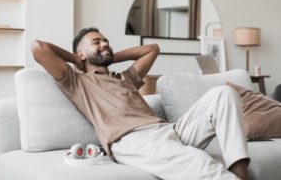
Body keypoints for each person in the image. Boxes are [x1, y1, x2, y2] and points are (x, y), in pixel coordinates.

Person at [31, 27, 249, 180]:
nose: (104, 43)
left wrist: (107, 55)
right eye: (96, 42)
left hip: (170, 131)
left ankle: (241, 175)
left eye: (106, 40)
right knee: (200, 164)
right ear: (80, 53)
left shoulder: (125, 78)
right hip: (133, 140)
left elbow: (152, 49)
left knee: (224, 94)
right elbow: (38, 47)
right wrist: (77, 60)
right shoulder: (77, 83)